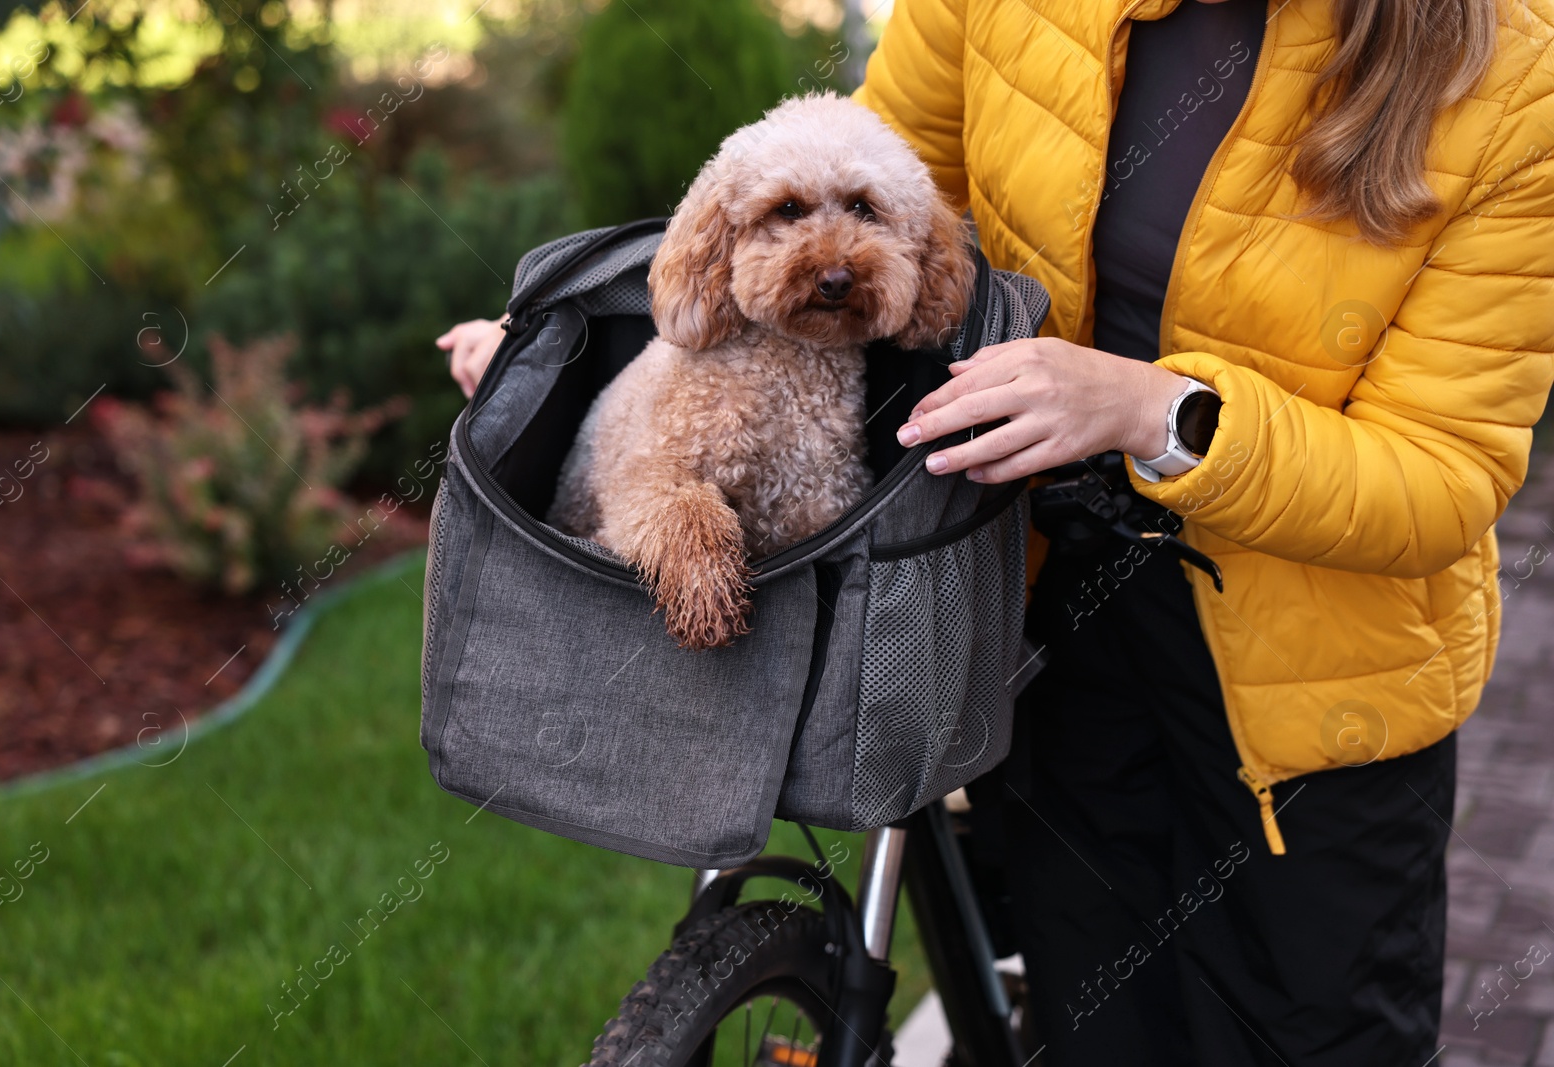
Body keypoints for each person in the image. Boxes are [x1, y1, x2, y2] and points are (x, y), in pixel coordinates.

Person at [442, 0, 1552, 1060]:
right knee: (1097, 1024)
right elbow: (875, 195)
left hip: (1315, 703)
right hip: (1045, 613)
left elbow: (1442, 475)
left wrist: (1148, 409)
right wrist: (569, 346)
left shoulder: (1507, 80)